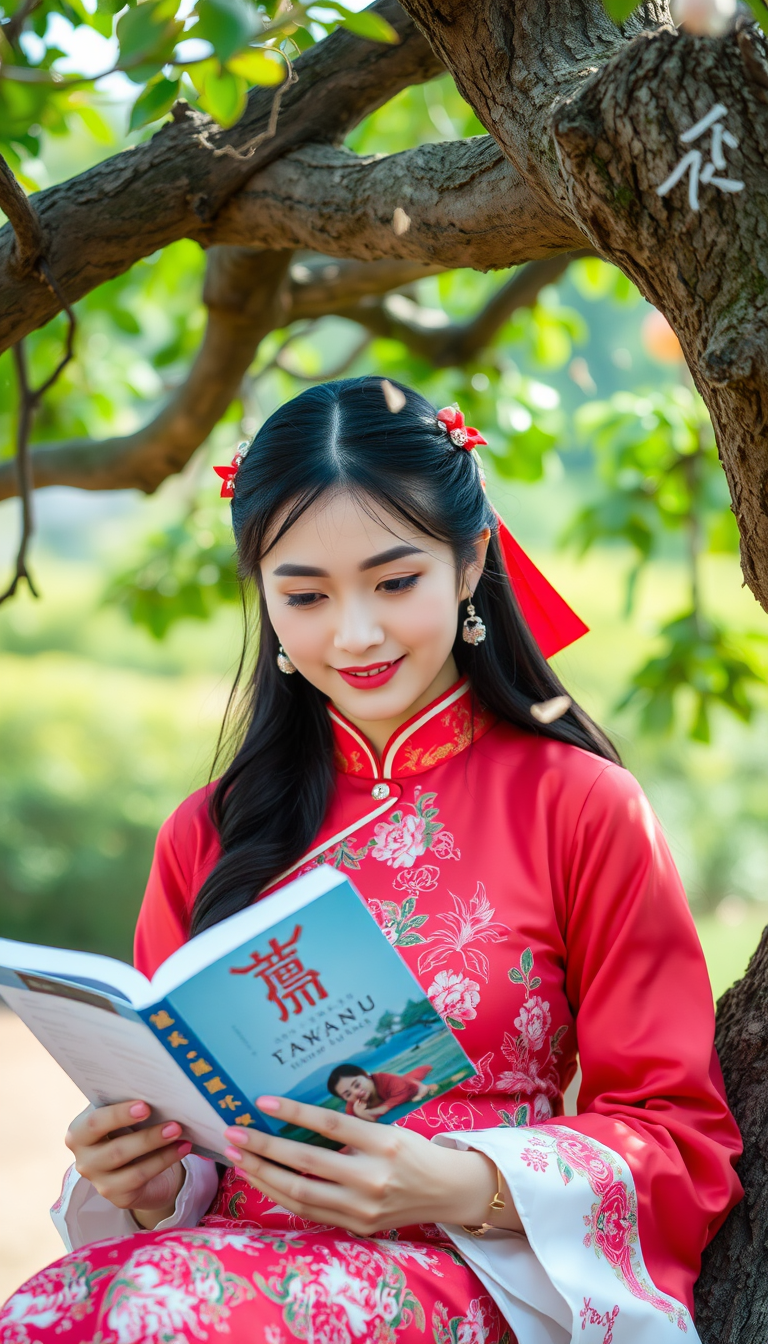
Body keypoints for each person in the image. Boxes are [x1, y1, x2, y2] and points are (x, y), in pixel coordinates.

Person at [1, 378, 742, 1344]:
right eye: (304, 595)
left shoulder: (581, 807)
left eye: (395, 582)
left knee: (158, 1303)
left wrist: (464, 1182)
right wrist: (146, 1180)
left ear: (471, 561)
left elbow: (678, 1138)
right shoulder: (209, 832)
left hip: (462, 1268)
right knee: (53, 1303)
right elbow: (188, 1134)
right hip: (219, 1266)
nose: (354, 634)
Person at [328, 1062, 437, 1120]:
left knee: (424, 1086)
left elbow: (403, 1094)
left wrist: (372, 1112)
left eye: (357, 1085)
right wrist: (363, 1116)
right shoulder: (353, 1108)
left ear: (366, 1075)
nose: (356, 1092)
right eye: (348, 1094)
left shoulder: (385, 1079)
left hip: (408, 1086)